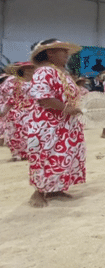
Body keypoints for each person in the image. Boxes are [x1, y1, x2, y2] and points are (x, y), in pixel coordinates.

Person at [27, 39, 85, 208]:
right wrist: (66, 109)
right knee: (45, 156)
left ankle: (56, 189)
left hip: (65, 124)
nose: (67, 55)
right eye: (63, 51)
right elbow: (43, 97)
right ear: (50, 53)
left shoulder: (60, 72)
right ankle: (38, 192)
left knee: (62, 157)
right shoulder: (43, 71)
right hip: (48, 124)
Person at [2, 62, 36, 161]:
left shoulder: (37, 82)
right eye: (27, 68)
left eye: (31, 68)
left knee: (32, 133)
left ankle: (31, 153)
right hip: (20, 111)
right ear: (23, 70)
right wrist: (4, 111)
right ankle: (18, 154)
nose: (30, 70)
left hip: (34, 111)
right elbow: (11, 99)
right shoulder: (17, 83)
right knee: (18, 134)